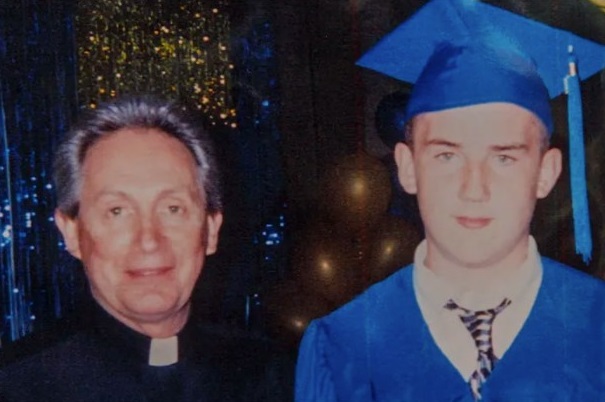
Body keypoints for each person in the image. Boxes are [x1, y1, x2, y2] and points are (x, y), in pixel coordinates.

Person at [295, 0, 605, 401]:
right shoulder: (341, 349)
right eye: (447, 155)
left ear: (546, 172)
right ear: (407, 167)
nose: (473, 188)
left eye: (504, 157)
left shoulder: (597, 328)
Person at [0, 96, 292, 401]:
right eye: (117, 211)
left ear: (211, 229)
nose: (149, 240)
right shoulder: (15, 386)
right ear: (72, 233)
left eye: (173, 209)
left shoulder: (273, 377)